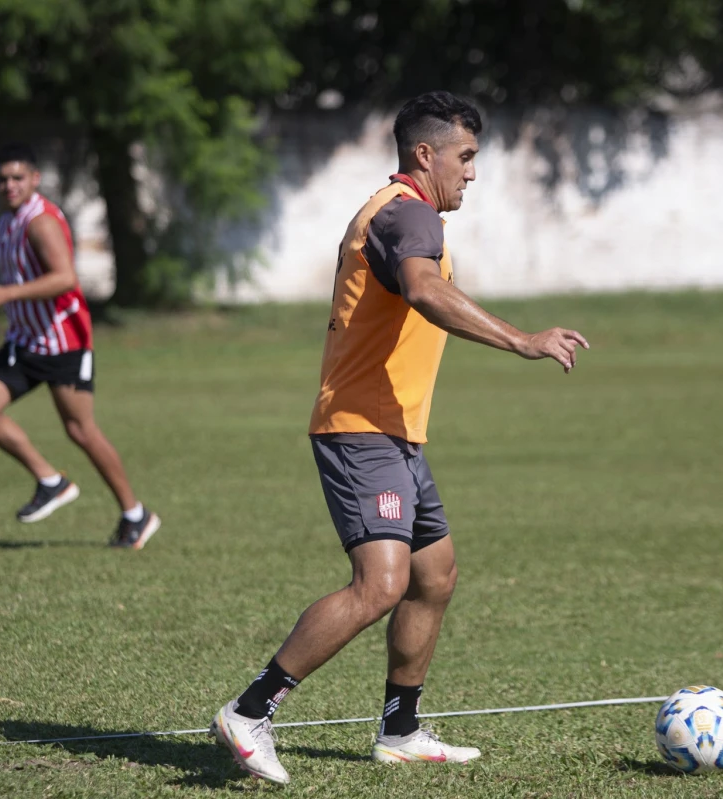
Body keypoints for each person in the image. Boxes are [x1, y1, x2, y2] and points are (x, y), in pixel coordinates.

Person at [209, 91, 589, 784]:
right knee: (379, 584)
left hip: (396, 433)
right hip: (361, 432)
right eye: (465, 156)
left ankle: (401, 728)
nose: (471, 172)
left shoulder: (398, 212)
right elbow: (423, 291)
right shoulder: (406, 214)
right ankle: (250, 709)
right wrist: (524, 340)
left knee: (433, 575)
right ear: (426, 154)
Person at [0, 143, 160, 549]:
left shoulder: (41, 222)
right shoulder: (8, 221)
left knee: (81, 430)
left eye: (18, 177)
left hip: (62, 343)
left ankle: (135, 515)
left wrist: (6, 294)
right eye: (3, 178)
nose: (9, 185)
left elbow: (65, 279)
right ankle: (50, 481)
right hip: (24, 341)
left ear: (35, 179)